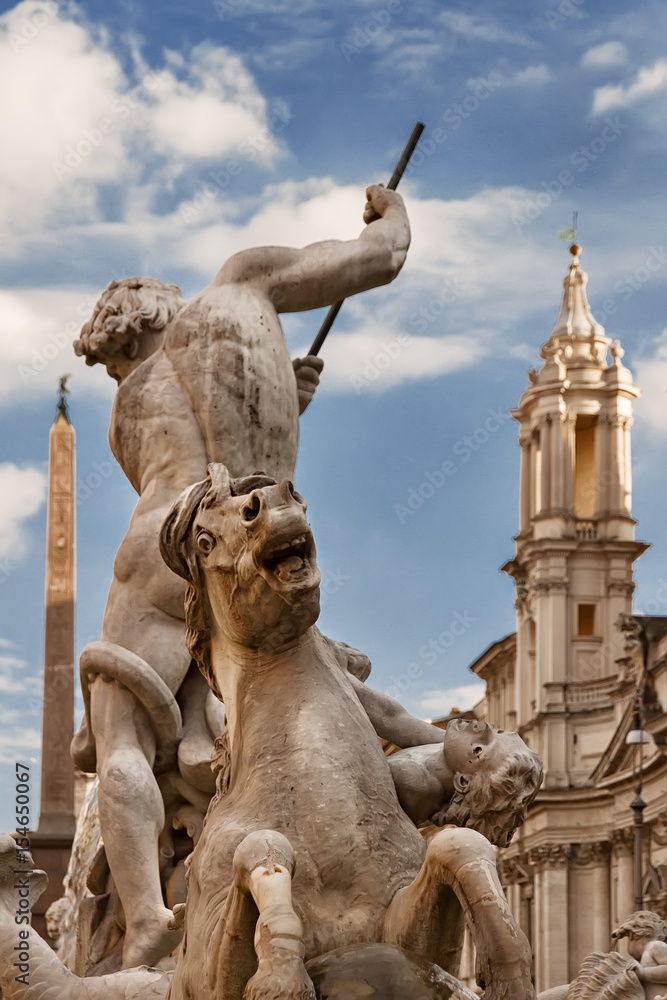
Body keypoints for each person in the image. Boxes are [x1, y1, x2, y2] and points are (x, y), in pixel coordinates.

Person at [70, 184, 411, 969]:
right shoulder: (240, 286)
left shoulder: (127, 408)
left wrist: (283, 393)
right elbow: (379, 259)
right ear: (166, 304)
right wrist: (391, 212)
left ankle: (150, 915)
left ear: (122, 343)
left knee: (121, 734)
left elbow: (188, 467)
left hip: (158, 548)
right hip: (238, 542)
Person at [385, 717, 543, 846]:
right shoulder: (454, 750)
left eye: (480, 748)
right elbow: (388, 716)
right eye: (498, 731)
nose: (484, 726)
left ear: (463, 782)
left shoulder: (414, 783)